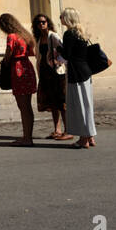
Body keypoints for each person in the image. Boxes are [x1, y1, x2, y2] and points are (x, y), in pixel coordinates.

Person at [59, 8, 97, 148]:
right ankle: (90, 136)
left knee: (79, 106)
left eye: (61, 16)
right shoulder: (81, 32)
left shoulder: (69, 34)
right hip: (85, 72)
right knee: (87, 105)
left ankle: (83, 139)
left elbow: (67, 55)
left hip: (76, 73)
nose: (60, 18)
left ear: (67, 18)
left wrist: (58, 49)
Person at [0, 13, 38, 146]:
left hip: (18, 68)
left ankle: (27, 138)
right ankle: (28, 136)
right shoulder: (25, 35)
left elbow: (9, 52)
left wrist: (5, 61)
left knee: (23, 106)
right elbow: (32, 52)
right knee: (27, 106)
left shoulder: (12, 36)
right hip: (27, 67)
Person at [33, 13, 72, 141]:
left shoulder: (52, 36)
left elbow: (64, 50)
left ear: (48, 23)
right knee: (52, 103)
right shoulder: (38, 39)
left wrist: (58, 61)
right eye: (38, 22)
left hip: (56, 73)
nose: (41, 24)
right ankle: (57, 129)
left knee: (61, 102)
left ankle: (68, 130)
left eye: (43, 22)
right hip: (45, 73)